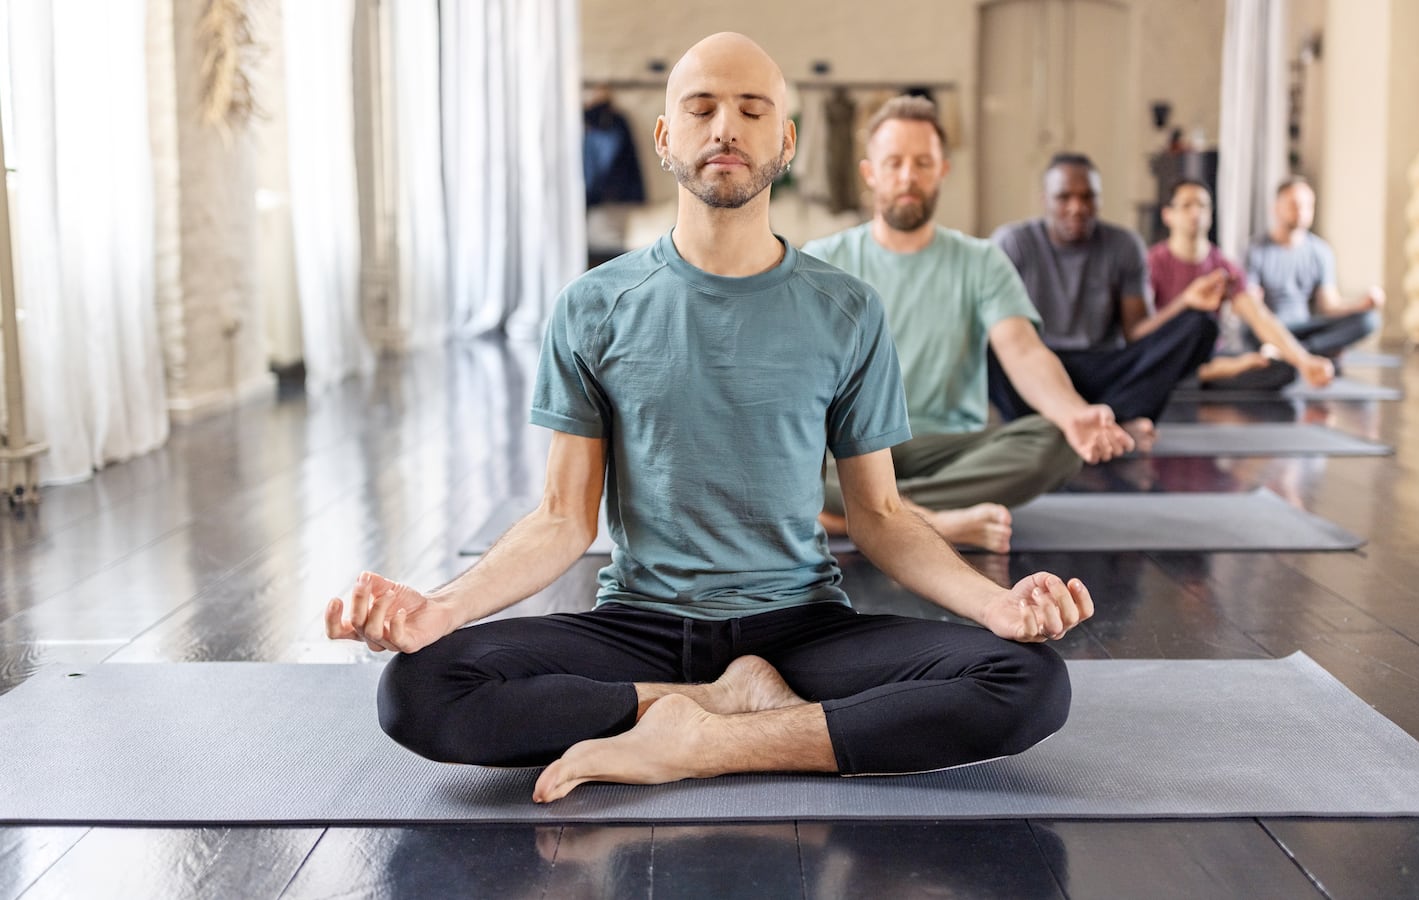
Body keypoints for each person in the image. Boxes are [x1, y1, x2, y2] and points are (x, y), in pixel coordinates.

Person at [323, 33, 1094, 805]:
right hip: (641, 627)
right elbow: (563, 518)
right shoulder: (594, 306)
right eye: (701, 108)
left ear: (785, 142)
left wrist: (998, 605)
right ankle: (707, 705)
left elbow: (882, 516)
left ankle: (707, 740)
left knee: (1027, 680)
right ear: (665, 136)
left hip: (802, 629)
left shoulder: (847, 310)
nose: (726, 127)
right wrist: (440, 608)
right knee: (417, 689)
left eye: (752, 110)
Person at [804, 97, 1134, 554]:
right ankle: (934, 520)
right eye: (894, 163)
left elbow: (1023, 350)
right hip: (850, 449)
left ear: (942, 169)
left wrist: (1075, 413)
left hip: (950, 450)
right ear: (870, 173)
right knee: (776, 460)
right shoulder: (824, 261)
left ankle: (862, 513)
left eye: (922, 163)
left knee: (1057, 439)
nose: (907, 176)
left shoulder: (982, 261)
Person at [989, 154, 1216, 429]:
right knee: (986, 343)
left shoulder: (1124, 245)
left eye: (1088, 197)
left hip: (1103, 367)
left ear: (1099, 200)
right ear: (1045, 200)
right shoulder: (1013, 243)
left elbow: (1136, 332)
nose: (1077, 207)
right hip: (1036, 367)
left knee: (1201, 325)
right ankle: (1045, 422)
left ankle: (1114, 419)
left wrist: (1185, 301)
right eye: (1064, 197)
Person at [1149, 179, 1335, 391]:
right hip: (1162, 353)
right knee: (1194, 325)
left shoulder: (1223, 267)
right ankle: (1210, 371)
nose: (1195, 213)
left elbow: (1258, 316)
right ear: (1168, 215)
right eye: (1186, 205)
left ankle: (1206, 371)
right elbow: (1139, 332)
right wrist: (1186, 301)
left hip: (1209, 354)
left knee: (1284, 369)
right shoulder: (1152, 262)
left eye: (1202, 206)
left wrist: (1304, 360)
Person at [1243, 176, 1384, 360]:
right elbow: (1249, 303)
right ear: (1276, 208)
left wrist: (1363, 304)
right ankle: (1313, 352)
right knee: (1249, 330)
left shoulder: (1320, 251)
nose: (1301, 211)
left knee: (1369, 320)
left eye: (1307, 205)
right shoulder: (1255, 250)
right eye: (1294, 205)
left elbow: (1329, 305)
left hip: (1305, 327)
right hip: (1270, 328)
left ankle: (1295, 353)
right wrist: (1253, 301)